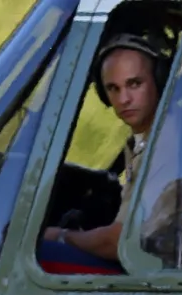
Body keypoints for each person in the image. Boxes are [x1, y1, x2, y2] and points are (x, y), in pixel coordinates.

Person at [41, 34, 166, 263]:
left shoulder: (165, 142)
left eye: (134, 84)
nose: (124, 99)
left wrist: (62, 236)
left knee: (37, 255)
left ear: (159, 81)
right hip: (151, 264)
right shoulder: (143, 140)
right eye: (113, 88)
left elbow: (121, 243)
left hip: (155, 271)